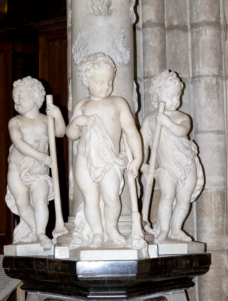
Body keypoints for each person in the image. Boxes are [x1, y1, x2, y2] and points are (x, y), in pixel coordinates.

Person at [66, 53, 142, 247]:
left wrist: (137, 158)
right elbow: (71, 134)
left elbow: (131, 132)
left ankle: (111, 227)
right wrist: (77, 122)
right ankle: (97, 233)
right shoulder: (81, 105)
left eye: (109, 81)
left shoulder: (118, 103)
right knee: (90, 197)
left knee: (111, 196)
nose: (105, 86)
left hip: (110, 160)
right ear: (86, 80)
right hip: (85, 159)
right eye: (99, 81)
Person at [141, 70, 204, 243]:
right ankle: (164, 229)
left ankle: (176, 229)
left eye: (178, 96)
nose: (175, 101)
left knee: (184, 199)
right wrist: (143, 164)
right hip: (165, 167)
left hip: (186, 162)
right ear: (157, 96)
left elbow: (182, 131)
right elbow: (142, 145)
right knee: (167, 195)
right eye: (170, 97)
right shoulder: (150, 120)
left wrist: (168, 123)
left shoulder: (182, 117)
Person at [5, 76, 65, 247]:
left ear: (35, 96)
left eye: (20, 96)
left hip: (39, 170)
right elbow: (19, 143)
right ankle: (35, 230)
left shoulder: (45, 120)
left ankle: (40, 233)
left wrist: (58, 115)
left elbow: (60, 133)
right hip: (17, 168)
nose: (16, 101)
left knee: (40, 197)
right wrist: (41, 156)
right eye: (14, 98)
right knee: (21, 202)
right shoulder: (15, 121)